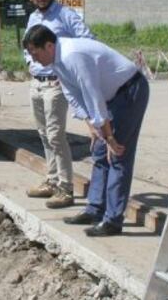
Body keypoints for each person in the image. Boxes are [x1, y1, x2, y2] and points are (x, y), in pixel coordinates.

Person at [22, 24, 149, 237]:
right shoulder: (56, 61)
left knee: (117, 153)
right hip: (111, 97)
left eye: (36, 54)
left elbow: (93, 95)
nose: (34, 60)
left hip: (129, 91)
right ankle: (95, 209)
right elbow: (72, 94)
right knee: (99, 151)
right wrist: (92, 126)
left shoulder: (73, 55)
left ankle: (113, 221)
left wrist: (109, 136)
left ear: (49, 46)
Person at [22, 0, 95, 210]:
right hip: (36, 83)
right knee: (44, 135)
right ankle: (52, 180)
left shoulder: (65, 15)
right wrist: (29, 62)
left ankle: (65, 188)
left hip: (56, 83)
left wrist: (66, 66)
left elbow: (87, 40)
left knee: (55, 136)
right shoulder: (33, 18)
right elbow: (28, 45)